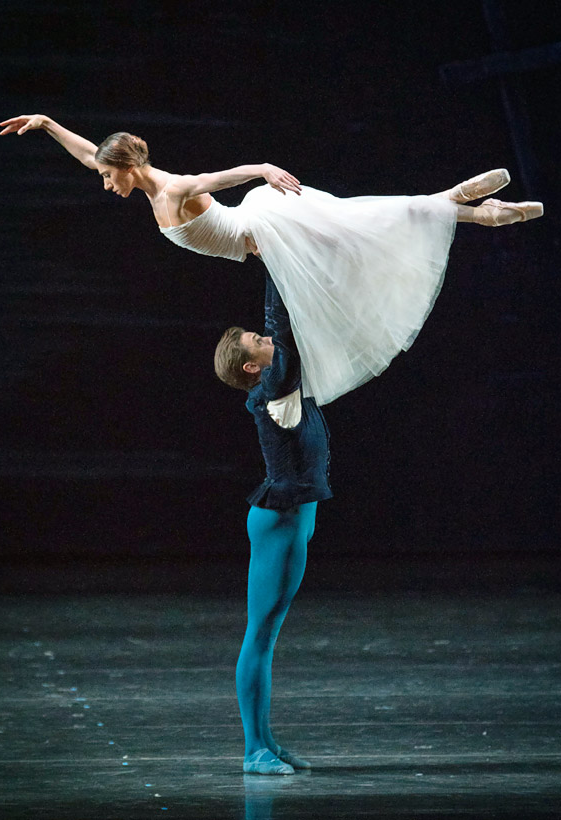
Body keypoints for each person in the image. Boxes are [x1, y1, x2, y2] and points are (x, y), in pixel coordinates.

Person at [0, 114, 543, 405]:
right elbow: (89, 152)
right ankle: (469, 209)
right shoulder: (146, 187)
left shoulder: (171, 190)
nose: (103, 183)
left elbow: (215, 179)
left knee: (360, 233)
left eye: (106, 175)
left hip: (263, 229)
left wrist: (261, 168)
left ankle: (461, 206)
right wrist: (47, 124)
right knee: (358, 229)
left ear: (128, 167)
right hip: (261, 234)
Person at [213, 271, 332, 775]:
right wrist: (276, 259)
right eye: (257, 343)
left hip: (293, 518)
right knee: (260, 633)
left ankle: (265, 741)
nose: (266, 341)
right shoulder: (272, 387)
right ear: (251, 365)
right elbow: (278, 322)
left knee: (270, 632)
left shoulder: (282, 384)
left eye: (262, 338)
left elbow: (287, 330)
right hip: (278, 521)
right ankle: (253, 751)